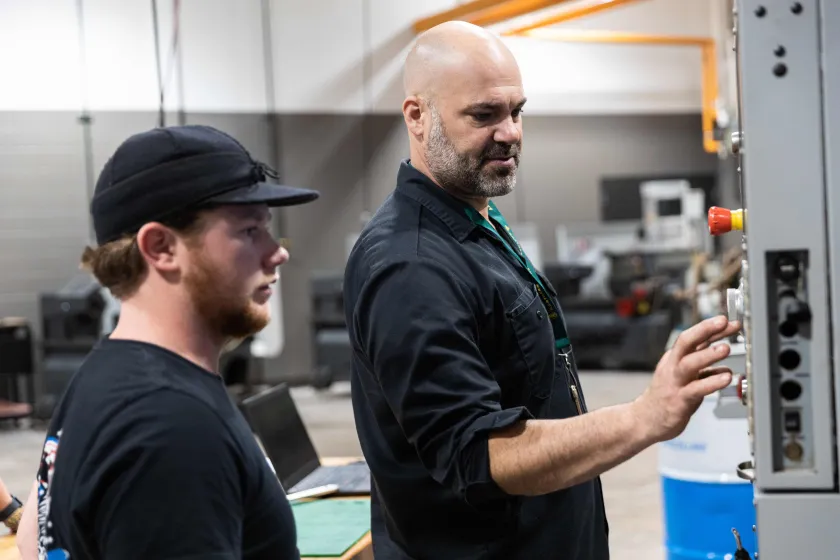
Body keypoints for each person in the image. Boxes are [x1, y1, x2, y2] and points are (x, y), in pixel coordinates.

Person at [342, 21, 740, 560]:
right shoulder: (411, 266)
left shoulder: (474, 223)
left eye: (516, 111)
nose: (509, 132)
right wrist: (644, 417)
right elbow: (478, 455)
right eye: (484, 115)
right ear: (418, 116)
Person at [15, 124, 319, 560]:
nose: (278, 252)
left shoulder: (104, 376)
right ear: (160, 247)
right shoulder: (170, 424)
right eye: (250, 231)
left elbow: (33, 544)